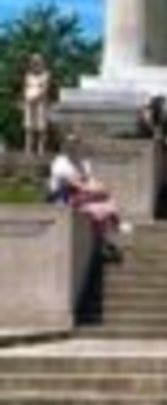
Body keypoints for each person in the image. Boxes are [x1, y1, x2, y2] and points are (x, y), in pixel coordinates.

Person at [48, 133, 126, 262]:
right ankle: (105, 240)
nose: (73, 146)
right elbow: (76, 184)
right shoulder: (60, 163)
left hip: (81, 194)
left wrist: (100, 188)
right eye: (70, 143)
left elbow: (91, 182)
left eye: (75, 143)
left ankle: (105, 238)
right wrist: (96, 188)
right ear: (65, 146)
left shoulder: (84, 163)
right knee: (97, 203)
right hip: (64, 196)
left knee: (105, 201)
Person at [21, 52, 52, 155]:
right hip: (29, 102)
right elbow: (25, 87)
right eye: (34, 61)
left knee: (41, 126)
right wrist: (26, 99)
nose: (35, 63)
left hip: (41, 103)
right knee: (28, 126)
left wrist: (36, 97)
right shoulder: (28, 75)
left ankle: (40, 149)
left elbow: (45, 89)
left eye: (37, 61)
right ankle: (28, 148)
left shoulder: (46, 74)